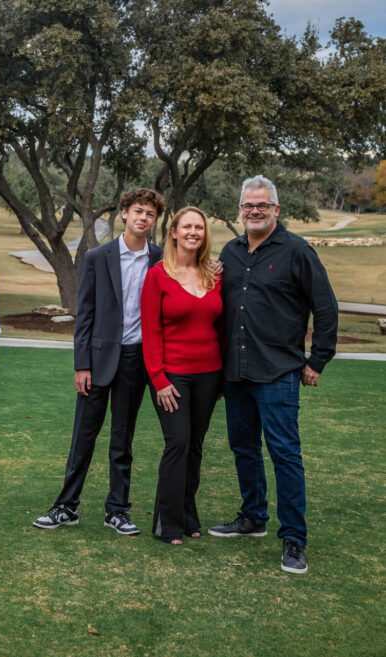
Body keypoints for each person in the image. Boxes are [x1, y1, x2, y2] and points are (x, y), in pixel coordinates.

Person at [208, 175, 338, 574]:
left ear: (276, 210)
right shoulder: (229, 253)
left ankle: (294, 539)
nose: (255, 210)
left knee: (284, 455)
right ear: (241, 210)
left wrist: (317, 359)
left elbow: (326, 308)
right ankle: (253, 517)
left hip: (278, 370)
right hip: (236, 372)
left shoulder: (297, 251)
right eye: (248, 205)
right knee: (243, 448)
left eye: (262, 205)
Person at [33, 189, 165, 537]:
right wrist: (82, 365)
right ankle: (66, 507)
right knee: (83, 437)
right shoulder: (98, 257)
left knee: (123, 439)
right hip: (98, 360)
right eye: (138, 211)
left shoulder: (161, 259)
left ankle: (117, 510)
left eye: (150, 215)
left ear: (155, 221)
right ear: (124, 213)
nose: (143, 219)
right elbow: (85, 314)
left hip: (135, 360)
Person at [140, 206, 223, 545]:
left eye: (199, 228)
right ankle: (167, 522)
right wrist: (158, 379)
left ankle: (189, 516)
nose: (193, 232)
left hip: (210, 374)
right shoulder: (157, 276)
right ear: (173, 231)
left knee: (195, 447)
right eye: (186, 227)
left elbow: (222, 324)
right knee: (178, 443)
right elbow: (151, 331)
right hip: (172, 376)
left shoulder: (214, 275)